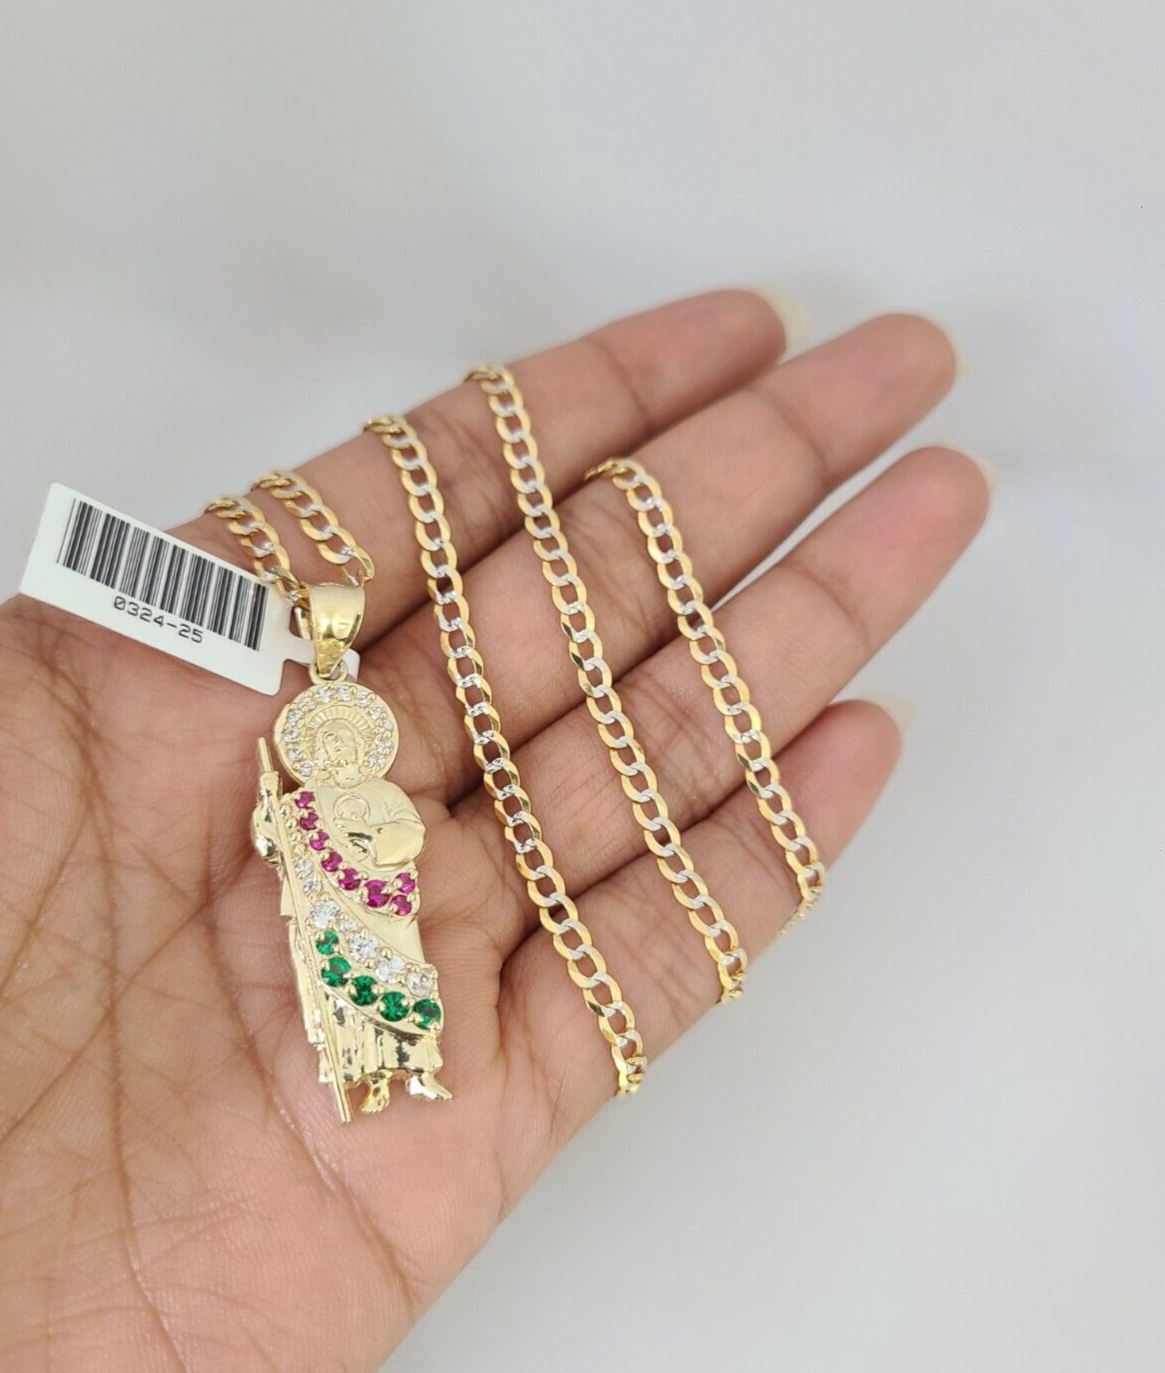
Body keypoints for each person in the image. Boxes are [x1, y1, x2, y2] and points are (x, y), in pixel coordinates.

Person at [0, 291, 988, 1371]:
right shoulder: (304, 789)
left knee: (396, 997)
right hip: (332, 912)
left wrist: (367, 844)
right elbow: (296, 849)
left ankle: (402, 1065)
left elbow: (384, 842)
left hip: (377, 904)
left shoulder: (364, 786)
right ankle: (370, 1065)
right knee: (348, 1005)